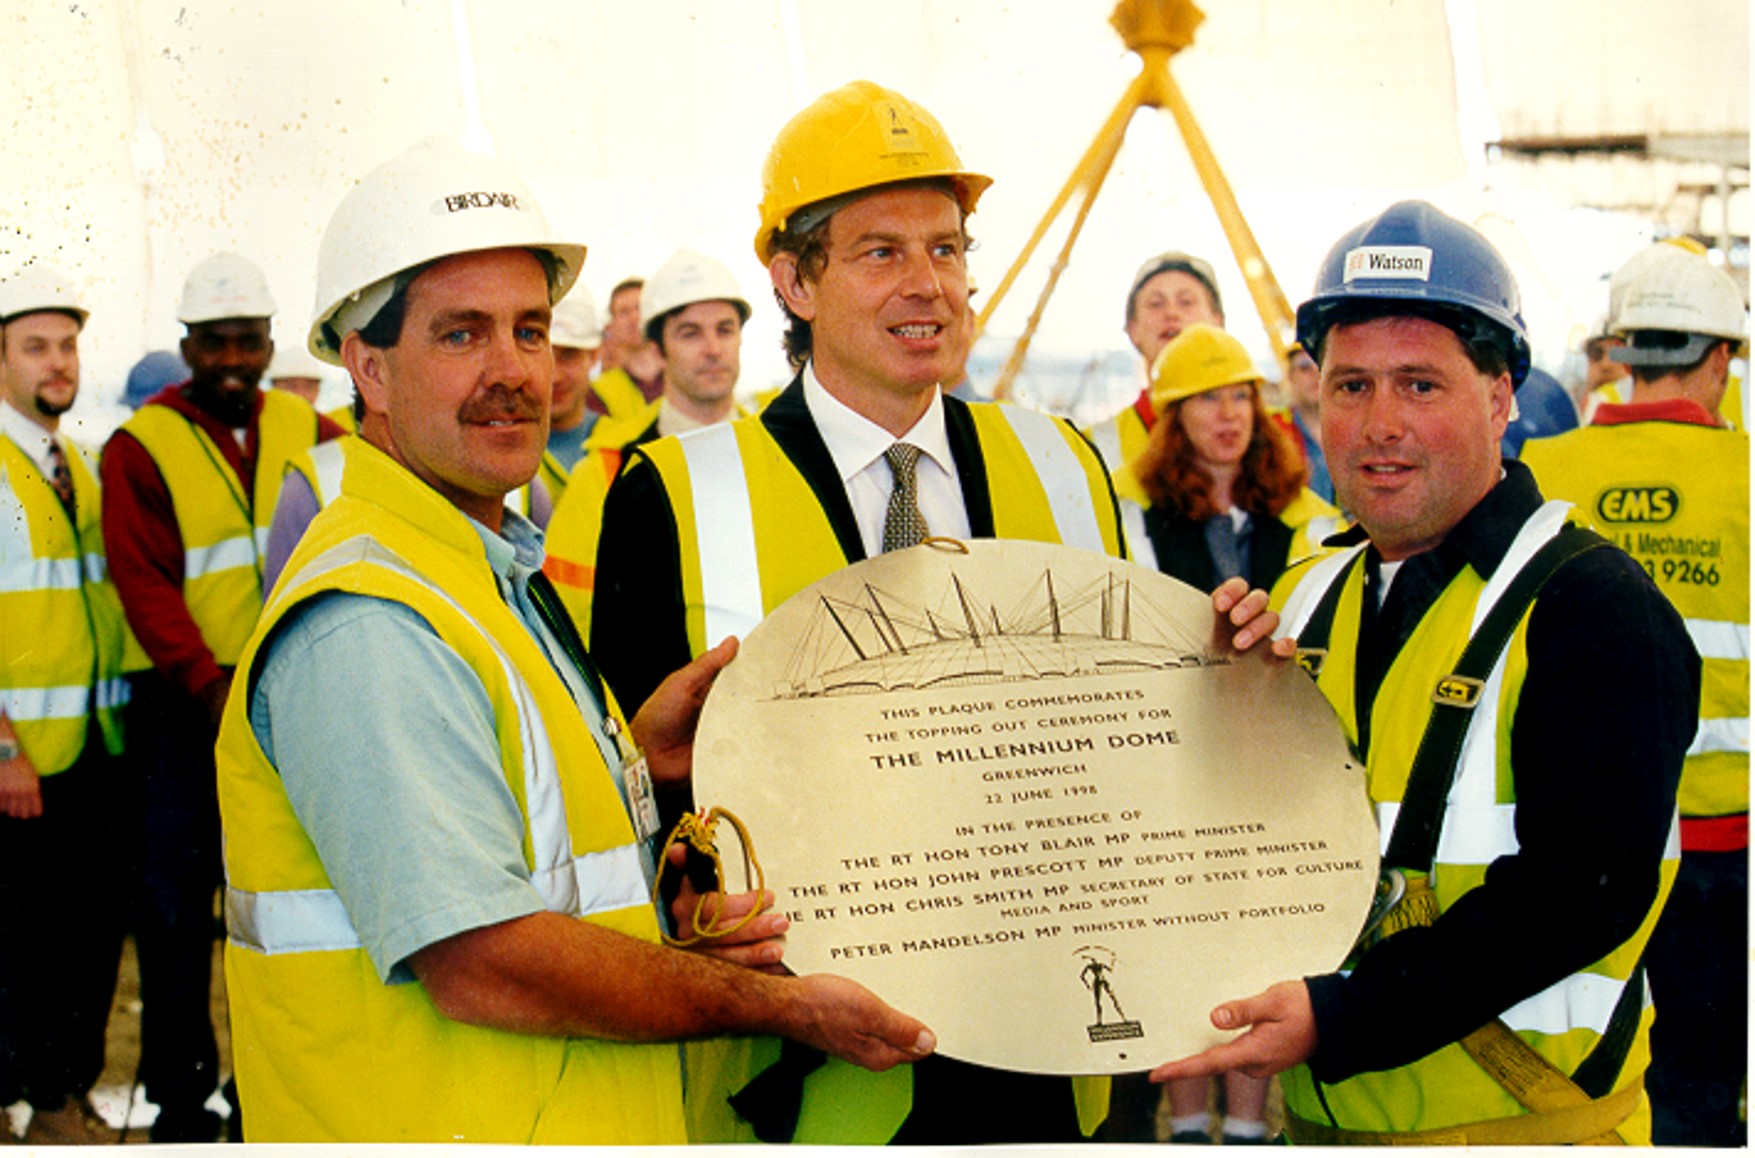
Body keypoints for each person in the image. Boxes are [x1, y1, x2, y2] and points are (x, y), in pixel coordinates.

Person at [592, 79, 1280, 1147]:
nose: (932, 288)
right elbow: (624, 811)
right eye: (882, 253)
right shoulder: (668, 496)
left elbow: (1133, 740)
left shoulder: (1065, 468)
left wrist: (1225, 679)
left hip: (1043, 1060)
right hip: (805, 1082)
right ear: (795, 280)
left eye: (949, 251)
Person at [215, 136, 933, 1145]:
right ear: (367, 367)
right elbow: (483, 960)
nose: (515, 372)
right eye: (461, 335)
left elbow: (526, 845)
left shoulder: (476, 569)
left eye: (530, 330)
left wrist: (638, 757)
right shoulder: (370, 620)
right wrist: (780, 1005)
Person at [1150, 201, 1699, 1145]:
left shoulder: (1589, 605)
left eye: (1420, 385)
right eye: (1351, 386)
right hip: (1331, 1126)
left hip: (1527, 1131)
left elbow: (1583, 891)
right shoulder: (1299, 597)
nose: (1379, 425)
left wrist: (1343, 1017)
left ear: (1499, 395)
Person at [100, 251, 344, 1143]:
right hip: (180, 711)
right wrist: (207, 687)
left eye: (248, 341)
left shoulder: (313, 430)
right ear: (188, 346)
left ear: (271, 341)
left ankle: (269, 1087)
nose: (233, 359)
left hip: (291, 699)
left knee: (289, 899)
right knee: (172, 907)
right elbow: (144, 579)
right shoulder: (140, 447)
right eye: (215, 344)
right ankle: (178, 1094)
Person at [1521, 240, 1748, 1147]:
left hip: (1569, 852)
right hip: (1719, 849)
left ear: (1618, 353)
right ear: (1720, 360)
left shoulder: (1537, 473)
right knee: (1699, 1086)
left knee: (1580, 1081)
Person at [0, 264, 132, 1145]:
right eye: (36, 346)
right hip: (22, 758)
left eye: (69, 344)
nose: (59, 362)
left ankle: (60, 1095)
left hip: (91, 745)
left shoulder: (73, 463)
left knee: (82, 939)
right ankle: (33, 1100)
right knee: (21, 946)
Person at [544, 247, 751, 631]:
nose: (712, 349)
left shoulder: (780, 453)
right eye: (690, 333)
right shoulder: (608, 468)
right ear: (658, 350)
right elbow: (570, 614)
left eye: (725, 329)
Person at [1085, 251, 1226, 501]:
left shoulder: (1262, 436)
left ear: (1218, 322)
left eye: (1186, 302)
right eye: (1155, 304)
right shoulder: (1090, 446)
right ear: (1132, 329)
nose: (1171, 313)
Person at [540, 283, 604, 508]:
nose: (556, 376)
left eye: (569, 355)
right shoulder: (499, 448)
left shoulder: (625, 444)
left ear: (595, 356)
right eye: (544, 356)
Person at [589, 276, 665, 420]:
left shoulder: (685, 376)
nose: (634, 318)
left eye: (640, 308)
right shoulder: (597, 392)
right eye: (624, 312)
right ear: (612, 325)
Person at [1280, 341, 1334, 503]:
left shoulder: (1357, 429)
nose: (1315, 375)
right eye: (1304, 368)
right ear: (1290, 377)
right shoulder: (1275, 432)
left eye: (1321, 366)